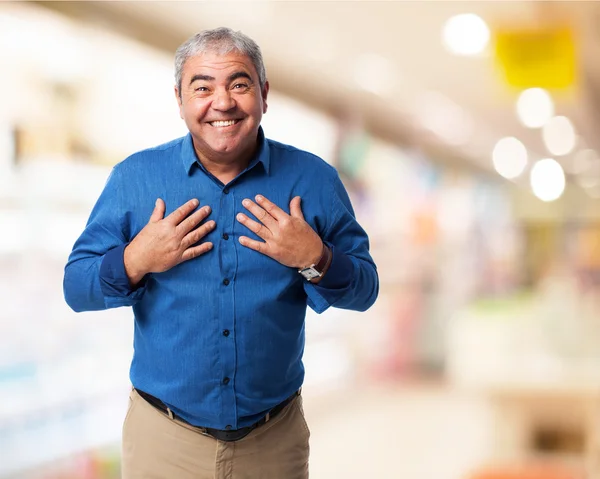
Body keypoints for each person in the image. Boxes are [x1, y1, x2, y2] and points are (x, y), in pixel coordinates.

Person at [64, 27, 378, 479]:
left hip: (274, 441)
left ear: (264, 94)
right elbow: (76, 286)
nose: (223, 102)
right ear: (180, 99)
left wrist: (316, 256)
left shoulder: (314, 181)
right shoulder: (135, 179)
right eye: (202, 87)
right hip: (163, 441)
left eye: (239, 84)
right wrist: (137, 258)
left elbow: (365, 289)